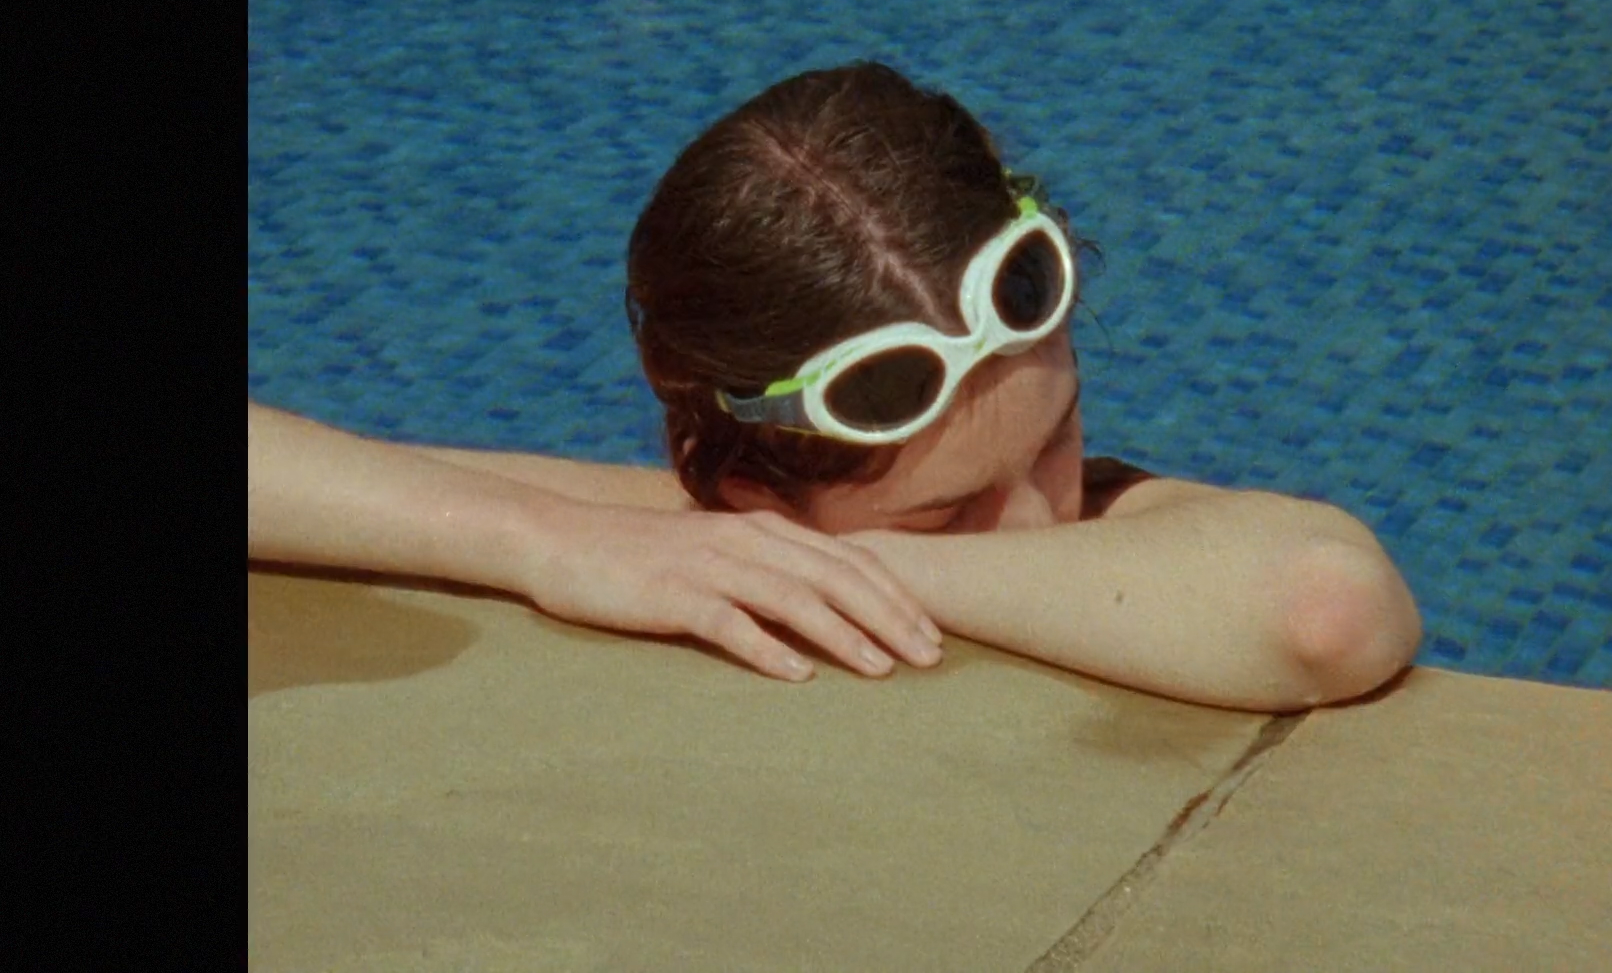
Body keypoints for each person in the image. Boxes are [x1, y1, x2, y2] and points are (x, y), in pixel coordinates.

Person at [247, 61, 1422, 712]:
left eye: (1060, 438)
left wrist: (862, 560)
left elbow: (1326, 608)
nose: (1042, 526)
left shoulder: (1096, 526)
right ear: (750, 499)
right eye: (949, 514)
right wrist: (539, 540)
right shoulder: (683, 528)